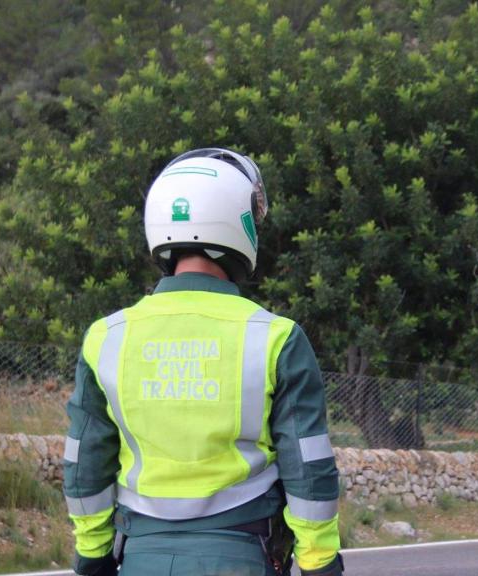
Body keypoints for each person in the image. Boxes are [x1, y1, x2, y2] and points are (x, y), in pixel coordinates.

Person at [62, 148, 344, 576]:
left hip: (141, 557)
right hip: (243, 556)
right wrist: (319, 562)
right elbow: (307, 464)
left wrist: (93, 555)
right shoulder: (275, 337)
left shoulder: (107, 338)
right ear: (237, 223)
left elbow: (85, 462)